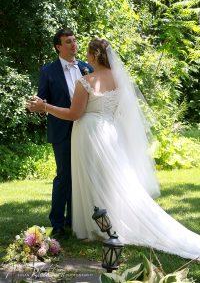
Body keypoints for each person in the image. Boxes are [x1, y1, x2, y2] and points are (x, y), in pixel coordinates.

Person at [27, 38, 200, 260]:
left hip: (89, 133)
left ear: (94, 56)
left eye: (88, 53)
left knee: (91, 178)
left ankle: (96, 227)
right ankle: (107, 222)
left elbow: (74, 114)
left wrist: (45, 107)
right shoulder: (119, 79)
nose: (85, 57)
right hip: (110, 132)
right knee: (108, 178)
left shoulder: (85, 81)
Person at [30, 28, 93, 237]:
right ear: (58, 46)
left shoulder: (86, 67)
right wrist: (36, 106)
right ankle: (57, 223)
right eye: (68, 42)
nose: (74, 45)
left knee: (81, 176)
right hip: (62, 131)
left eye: (75, 41)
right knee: (64, 176)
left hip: (86, 130)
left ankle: (74, 219)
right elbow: (42, 100)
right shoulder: (48, 71)